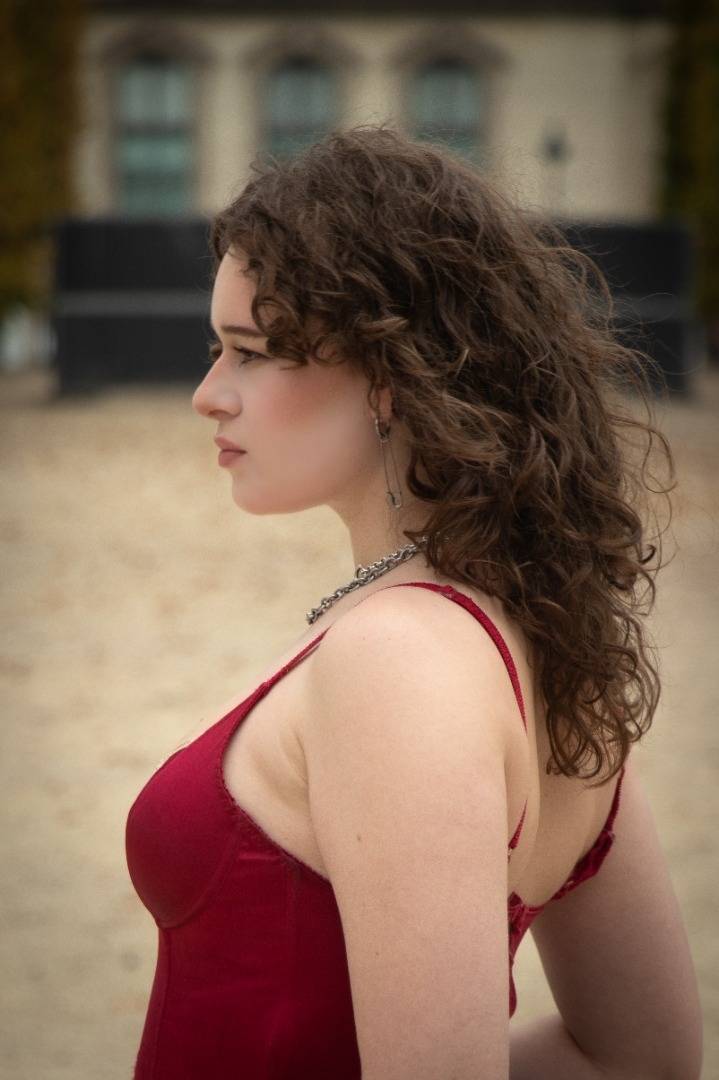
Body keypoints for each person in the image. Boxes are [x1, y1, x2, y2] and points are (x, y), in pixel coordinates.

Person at [125, 126, 702, 1079]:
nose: (208, 394)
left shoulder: (397, 659)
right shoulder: (541, 637)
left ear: (390, 378)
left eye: (250, 352)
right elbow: (632, 1059)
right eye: (214, 350)